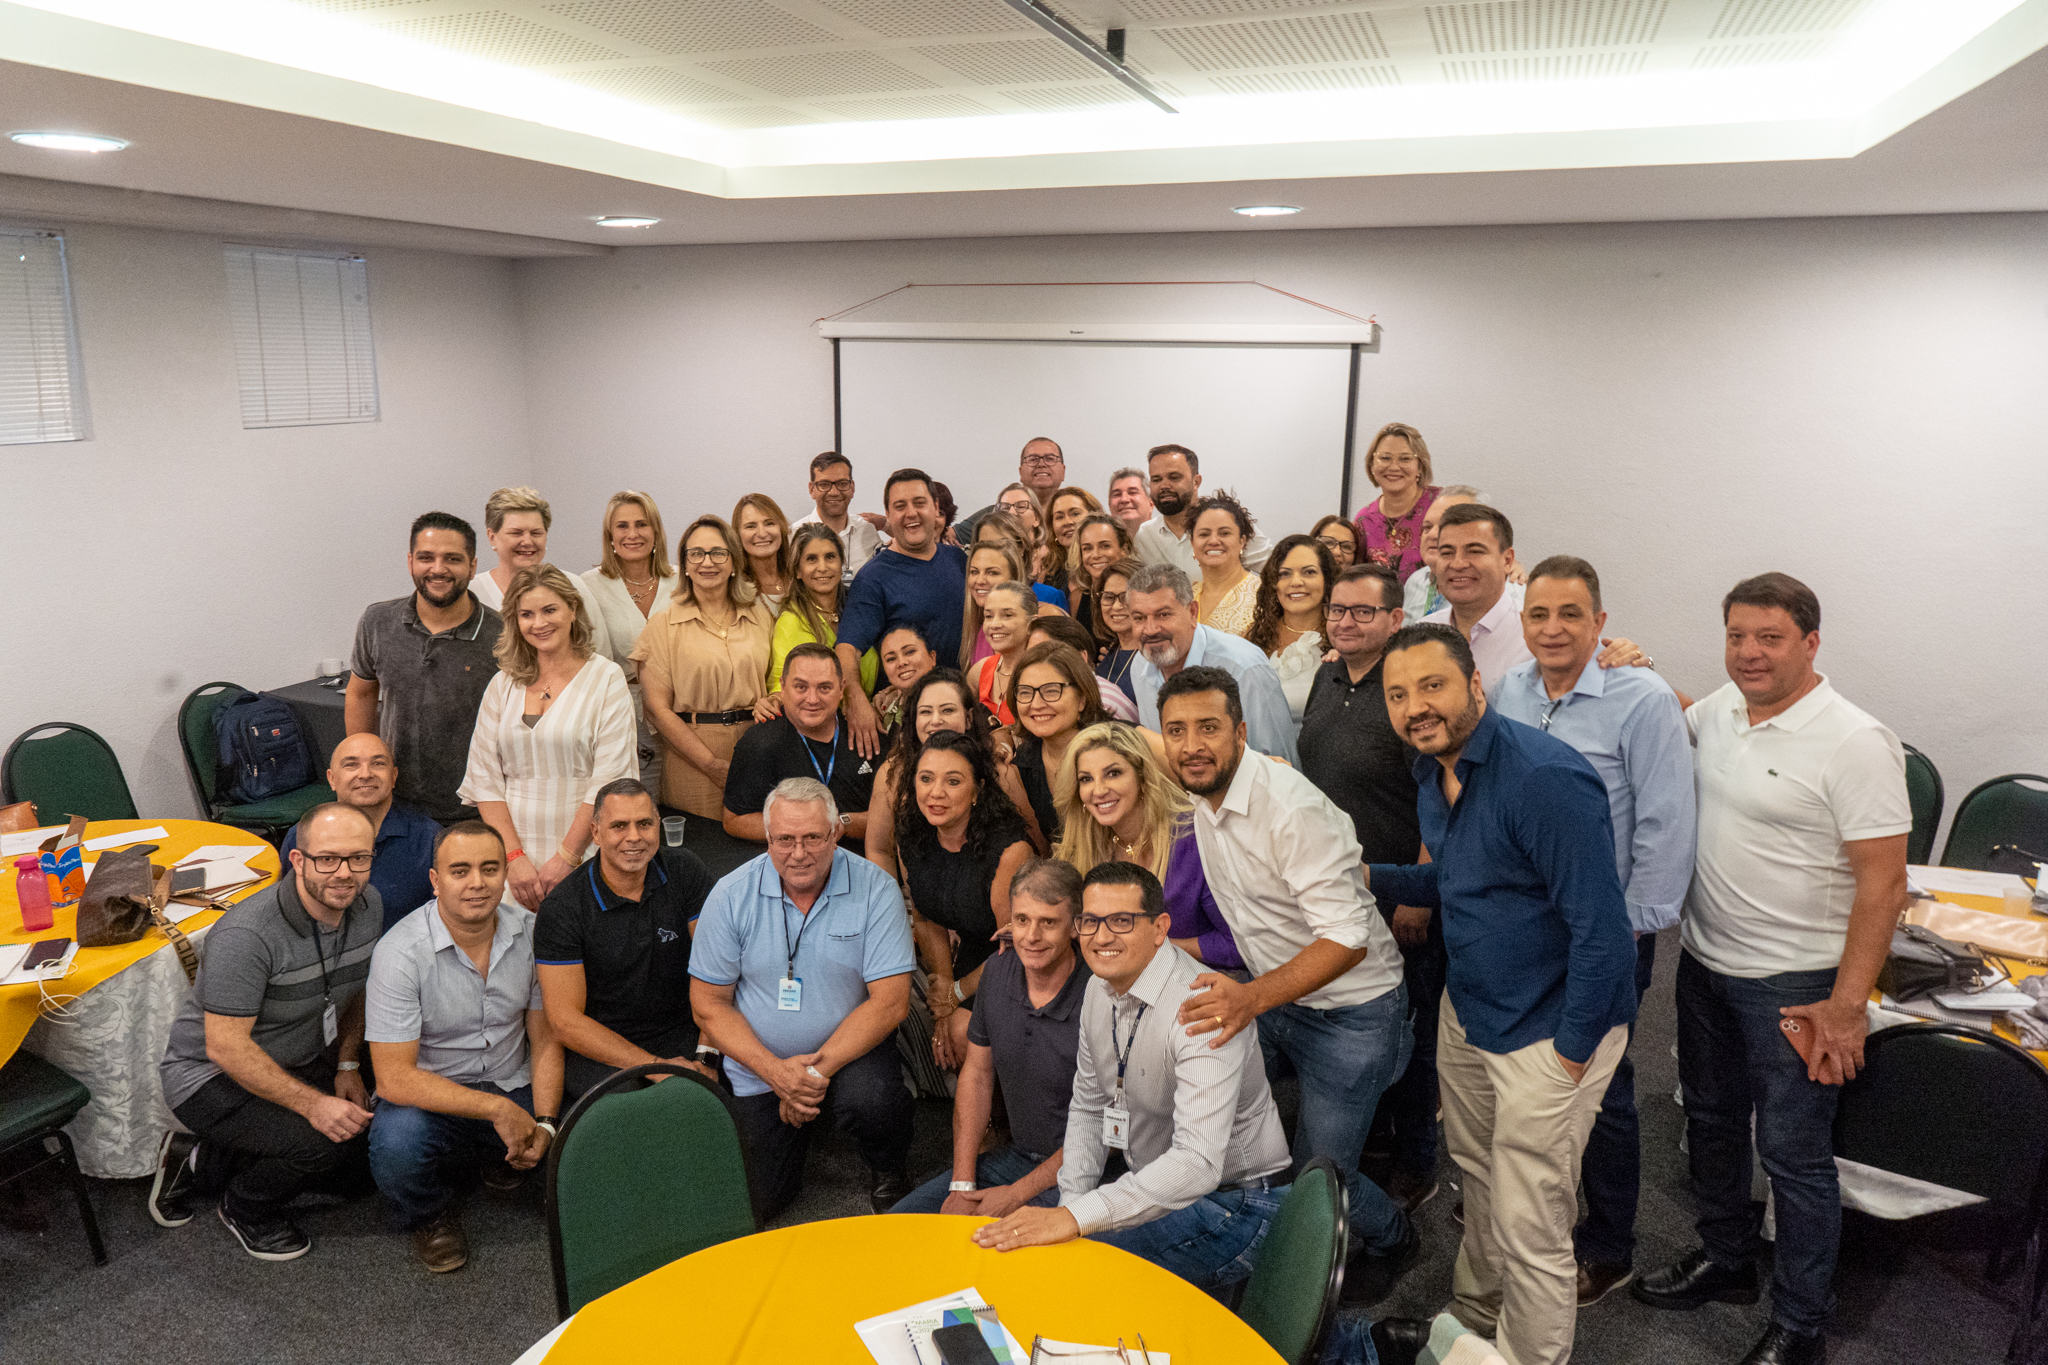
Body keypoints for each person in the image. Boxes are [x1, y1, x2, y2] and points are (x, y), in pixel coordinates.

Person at [1631, 574, 1909, 1365]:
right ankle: (1726, 1259)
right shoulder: (1724, 706)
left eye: (1770, 637)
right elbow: (1678, 717)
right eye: (1737, 636)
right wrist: (1635, 665)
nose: (1750, 652)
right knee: (1711, 1121)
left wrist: (1847, 1006)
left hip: (1797, 984)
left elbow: (1884, 885)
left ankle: (1801, 1321)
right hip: (1705, 960)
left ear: (1811, 642)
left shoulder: (1855, 741)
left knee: (1793, 1154)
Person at [1365, 624, 1638, 1365]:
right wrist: (1370, 875)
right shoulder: (1433, 771)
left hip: (1548, 1030)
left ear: (1476, 684)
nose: (1415, 707)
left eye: (1432, 686)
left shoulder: (1543, 779)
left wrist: (1569, 1059)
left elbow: (1604, 935)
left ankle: (1527, 1357)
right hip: (1471, 1010)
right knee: (1481, 1179)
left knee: (1532, 1220)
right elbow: (1462, 878)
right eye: (1398, 694)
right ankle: (1474, 1319)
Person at [1157, 667, 1418, 1288]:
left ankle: (1395, 1240)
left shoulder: (1290, 808)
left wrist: (1251, 998)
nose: (1192, 745)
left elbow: (1348, 939)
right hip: (1277, 997)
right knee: (1207, 1117)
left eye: (1208, 728)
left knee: (1320, 1176)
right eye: (1176, 731)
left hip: (1351, 1013)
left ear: (1241, 732)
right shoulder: (1202, 793)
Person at [1491, 556, 1697, 1306]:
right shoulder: (1509, 690)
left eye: (1571, 614)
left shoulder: (1642, 699)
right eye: (1539, 614)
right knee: (1528, 1071)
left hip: (1604, 930)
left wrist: (1633, 927)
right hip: (1523, 923)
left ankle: (1609, 1244)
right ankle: (1528, 1217)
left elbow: (1665, 823)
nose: (1553, 629)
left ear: (1601, 623)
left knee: (1603, 1085)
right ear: (1522, 622)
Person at [971, 862, 1290, 1295]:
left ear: (1160, 929)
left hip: (1240, 1201)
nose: (1101, 937)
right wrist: (1070, 1208)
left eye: (1121, 921)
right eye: (1090, 921)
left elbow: (1197, 1164)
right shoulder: (1099, 989)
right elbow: (1089, 1107)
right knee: (1051, 1254)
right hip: (1159, 1188)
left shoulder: (1201, 1008)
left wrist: (1073, 1219)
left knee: (1077, 1278)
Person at [152, 804, 381, 1260]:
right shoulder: (247, 935)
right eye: (327, 859)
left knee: (363, 1170)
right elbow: (225, 1048)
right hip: (209, 1075)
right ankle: (244, 1209)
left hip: (300, 1054)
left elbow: (355, 990)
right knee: (324, 1146)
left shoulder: (369, 904)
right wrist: (315, 1106)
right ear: (297, 860)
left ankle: (199, 1159)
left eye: (359, 858)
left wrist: (348, 1063)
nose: (344, 873)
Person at [689, 778, 917, 1219]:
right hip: (760, 1065)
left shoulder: (877, 888)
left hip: (851, 1054)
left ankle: (888, 1168)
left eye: (813, 837)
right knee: (755, 1204)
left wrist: (809, 1075)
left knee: (873, 1100)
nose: (798, 853)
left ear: (836, 833)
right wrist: (776, 1073)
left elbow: (891, 1003)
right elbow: (708, 1004)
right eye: (785, 840)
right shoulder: (730, 895)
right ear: (767, 838)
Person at [1296, 565, 1437, 1213]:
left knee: (1410, 1025)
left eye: (1361, 611)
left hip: (1399, 886)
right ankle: (1370, 1136)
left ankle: (1416, 1160)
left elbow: (1438, 795)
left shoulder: (1408, 688)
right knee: (1354, 1019)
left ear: (1395, 618)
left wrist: (1418, 896)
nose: (1345, 621)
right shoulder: (1326, 676)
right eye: (1337, 610)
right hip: (1337, 885)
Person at [363, 821, 564, 1272]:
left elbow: (545, 1037)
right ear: (435, 881)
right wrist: (496, 1110)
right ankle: (430, 1214)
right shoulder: (399, 952)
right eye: (460, 871)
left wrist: (547, 1123)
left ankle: (499, 1154)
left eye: (490, 869)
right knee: (396, 1150)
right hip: (431, 1096)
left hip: (513, 1081)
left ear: (505, 875)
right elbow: (393, 1078)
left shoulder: (533, 932)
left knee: (584, 1132)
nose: (477, 883)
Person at [891, 860, 1090, 1216]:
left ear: (1076, 926)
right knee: (901, 1225)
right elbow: (978, 1075)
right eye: (1022, 920)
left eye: (1048, 922)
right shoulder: (997, 971)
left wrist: (1014, 1196)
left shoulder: (1100, 995)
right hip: (1016, 1158)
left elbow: (1102, 1130)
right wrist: (962, 1184)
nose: (1031, 936)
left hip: (1086, 1173)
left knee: (995, 1241)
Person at [458, 566, 637, 913]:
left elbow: (609, 780)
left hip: (586, 847)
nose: (538, 623)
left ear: (573, 609)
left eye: (549, 610)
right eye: (526, 614)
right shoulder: (503, 683)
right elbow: (484, 780)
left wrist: (567, 858)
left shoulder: (606, 678)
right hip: (513, 857)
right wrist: (513, 858)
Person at [534, 778, 715, 1100]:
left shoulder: (685, 870)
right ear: (595, 833)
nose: (634, 837)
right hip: (603, 1047)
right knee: (637, 1108)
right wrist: (654, 1066)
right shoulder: (563, 908)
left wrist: (707, 1056)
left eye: (644, 824)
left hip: (685, 1032)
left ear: (658, 826)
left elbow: (718, 970)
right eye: (619, 826)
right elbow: (565, 1022)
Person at [347, 511, 504, 825]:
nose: (438, 569)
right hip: (393, 806)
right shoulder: (377, 621)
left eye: (452, 559)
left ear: (472, 566)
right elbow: (361, 693)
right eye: (426, 557)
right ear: (410, 562)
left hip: (474, 811)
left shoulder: (503, 635)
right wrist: (363, 771)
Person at [1054, 722, 1243, 972]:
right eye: (1086, 779)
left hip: (1210, 980)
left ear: (1142, 778)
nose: (1098, 790)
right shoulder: (1085, 849)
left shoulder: (1194, 838)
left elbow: (1238, 946)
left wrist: (1151, 947)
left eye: (1113, 773)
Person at [899, 730, 1036, 1068]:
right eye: (926, 778)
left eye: (953, 781)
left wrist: (957, 993)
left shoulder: (1008, 852)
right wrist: (944, 992)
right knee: (946, 1026)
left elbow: (1017, 945)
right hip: (973, 953)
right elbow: (926, 918)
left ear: (977, 790)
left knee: (963, 1032)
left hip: (1022, 960)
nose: (936, 792)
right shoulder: (913, 836)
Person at [633, 515, 777, 823]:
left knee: (759, 840)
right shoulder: (663, 626)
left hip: (758, 751)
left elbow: (776, 681)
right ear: (685, 564)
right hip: (692, 759)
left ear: (734, 561)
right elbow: (656, 710)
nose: (707, 562)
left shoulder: (759, 616)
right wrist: (710, 764)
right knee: (703, 845)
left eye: (718, 553)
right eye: (696, 553)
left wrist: (774, 700)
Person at [864, 669, 1043, 883]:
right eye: (925, 712)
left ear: (968, 718)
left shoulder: (999, 772)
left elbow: (1038, 849)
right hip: (919, 895)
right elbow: (879, 850)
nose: (936, 720)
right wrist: (891, 900)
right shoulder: (893, 774)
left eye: (947, 710)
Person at [838, 469, 971, 756]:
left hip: (961, 713)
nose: (911, 513)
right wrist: (856, 701)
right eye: (900, 506)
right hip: (909, 724)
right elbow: (847, 649)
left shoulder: (958, 560)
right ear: (888, 514)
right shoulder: (873, 578)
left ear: (935, 507)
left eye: (919, 503)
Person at [1124, 564, 1298, 765]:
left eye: (1163, 615)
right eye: (1139, 618)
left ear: (1192, 612)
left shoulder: (1244, 668)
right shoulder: (1140, 665)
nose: (1151, 629)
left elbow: (1280, 765)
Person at [281, 733, 439, 934]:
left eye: (378, 764)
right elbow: (291, 916)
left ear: (393, 777)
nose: (365, 774)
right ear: (332, 778)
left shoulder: (430, 840)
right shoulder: (301, 835)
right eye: (351, 765)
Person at [723, 644, 877, 846]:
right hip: (790, 860)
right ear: (783, 687)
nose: (812, 699)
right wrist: (806, 830)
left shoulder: (866, 732)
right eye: (801, 687)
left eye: (824, 688)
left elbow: (894, 818)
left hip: (860, 857)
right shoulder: (760, 742)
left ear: (841, 689)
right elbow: (734, 821)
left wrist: (842, 822)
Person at [579, 491, 679, 789]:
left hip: (683, 711)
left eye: (642, 524)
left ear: (656, 531)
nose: (632, 534)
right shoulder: (588, 585)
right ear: (609, 535)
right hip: (621, 713)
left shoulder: (682, 580)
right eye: (622, 526)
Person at [769, 522, 878, 695]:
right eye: (811, 559)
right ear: (797, 570)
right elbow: (782, 688)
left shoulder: (861, 608)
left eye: (830, 557)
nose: (822, 567)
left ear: (841, 563)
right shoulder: (791, 622)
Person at [1134, 444, 1271, 576]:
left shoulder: (1229, 525)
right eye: (1156, 479)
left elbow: (1276, 570)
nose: (1164, 486)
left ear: (1196, 482)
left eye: (1174, 477)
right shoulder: (1146, 535)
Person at [1246, 533, 1337, 723]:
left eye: (1309, 572)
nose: (1296, 582)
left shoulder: (1341, 640)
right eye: (1285, 574)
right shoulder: (1253, 637)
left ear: (1327, 580)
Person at [1351, 423, 1439, 584]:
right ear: (1372, 465)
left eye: (1405, 459)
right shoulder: (1364, 521)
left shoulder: (1441, 504)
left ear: (1420, 466)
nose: (1393, 467)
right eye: (1385, 458)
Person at [1026, 614, 1138, 723]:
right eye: (1031, 654)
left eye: (1047, 654)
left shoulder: (1102, 703)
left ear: (1081, 657)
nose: (1036, 663)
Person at [1402, 484, 1492, 620]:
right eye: (1427, 527)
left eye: (1445, 526)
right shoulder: (1416, 581)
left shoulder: (1503, 590)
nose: (1432, 535)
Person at [961, 538, 1052, 672]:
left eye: (992, 572)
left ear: (1014, 577)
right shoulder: (982, 631)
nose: (980, 580)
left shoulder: (1041, 627)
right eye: (974, 572)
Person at [793, 452, 882, 580]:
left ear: (852, 487)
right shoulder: (793, 535)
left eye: (842, 484)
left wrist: (887, 525)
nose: (834, 492)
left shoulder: (867, 531)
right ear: (812, 489)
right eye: (824, 484)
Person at [1189, 491, 1261, 638]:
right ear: (1192, 543)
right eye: (1204, 534)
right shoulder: (1185, 597)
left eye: (1224, 533)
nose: (1213, 541)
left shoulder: (1264, 594)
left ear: (1242, 541)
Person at [968, 581, 1039, 726]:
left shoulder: (1044, 674)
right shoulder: (979, 671)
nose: (994, 624)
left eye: (1007, 615)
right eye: (988, 616)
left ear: (1032, 623)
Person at [472, 486, 551, 613]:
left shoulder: (571, 586)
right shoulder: (470, 593)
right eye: (516, 533)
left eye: (536, 533)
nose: (527, 542)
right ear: (492, 537)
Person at [1070, 513, 1136, 644]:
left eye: (1105, 546)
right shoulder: (1077, 598)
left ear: (1124, 549)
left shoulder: (1140, 592)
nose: (1095, 555)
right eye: (1087, 548)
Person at [1042, 486, 1107, 604]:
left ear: (1094, 517)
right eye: (1059, 517)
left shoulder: (1107, 566)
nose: (1067, 522)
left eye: (1075, 513)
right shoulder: (1046, 573)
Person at [872, 623, 939, 738]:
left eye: (910, 652)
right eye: (891, 659)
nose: (901, 662)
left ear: (932, 657)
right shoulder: (881, 710)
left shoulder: (954, 700)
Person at [1091, 556, 1144, 700]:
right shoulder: (1108, 655)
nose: (1116, 606)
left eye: (1126, 597)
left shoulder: (1156, 658)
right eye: (1109, 597)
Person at [732, 493, 795, 615]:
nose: (762, 533)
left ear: (781, 528)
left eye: (769, 523)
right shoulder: (733, 588)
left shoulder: (799, 578)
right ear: (737, 534)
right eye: (750, 526)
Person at [1106, 466, 1154, 539]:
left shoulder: (1166, 540)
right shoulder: (1101, 543)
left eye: (1132, 492)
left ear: (1151, 504)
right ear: (1109, 505)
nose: (1124, 499)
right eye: (1117, 494)